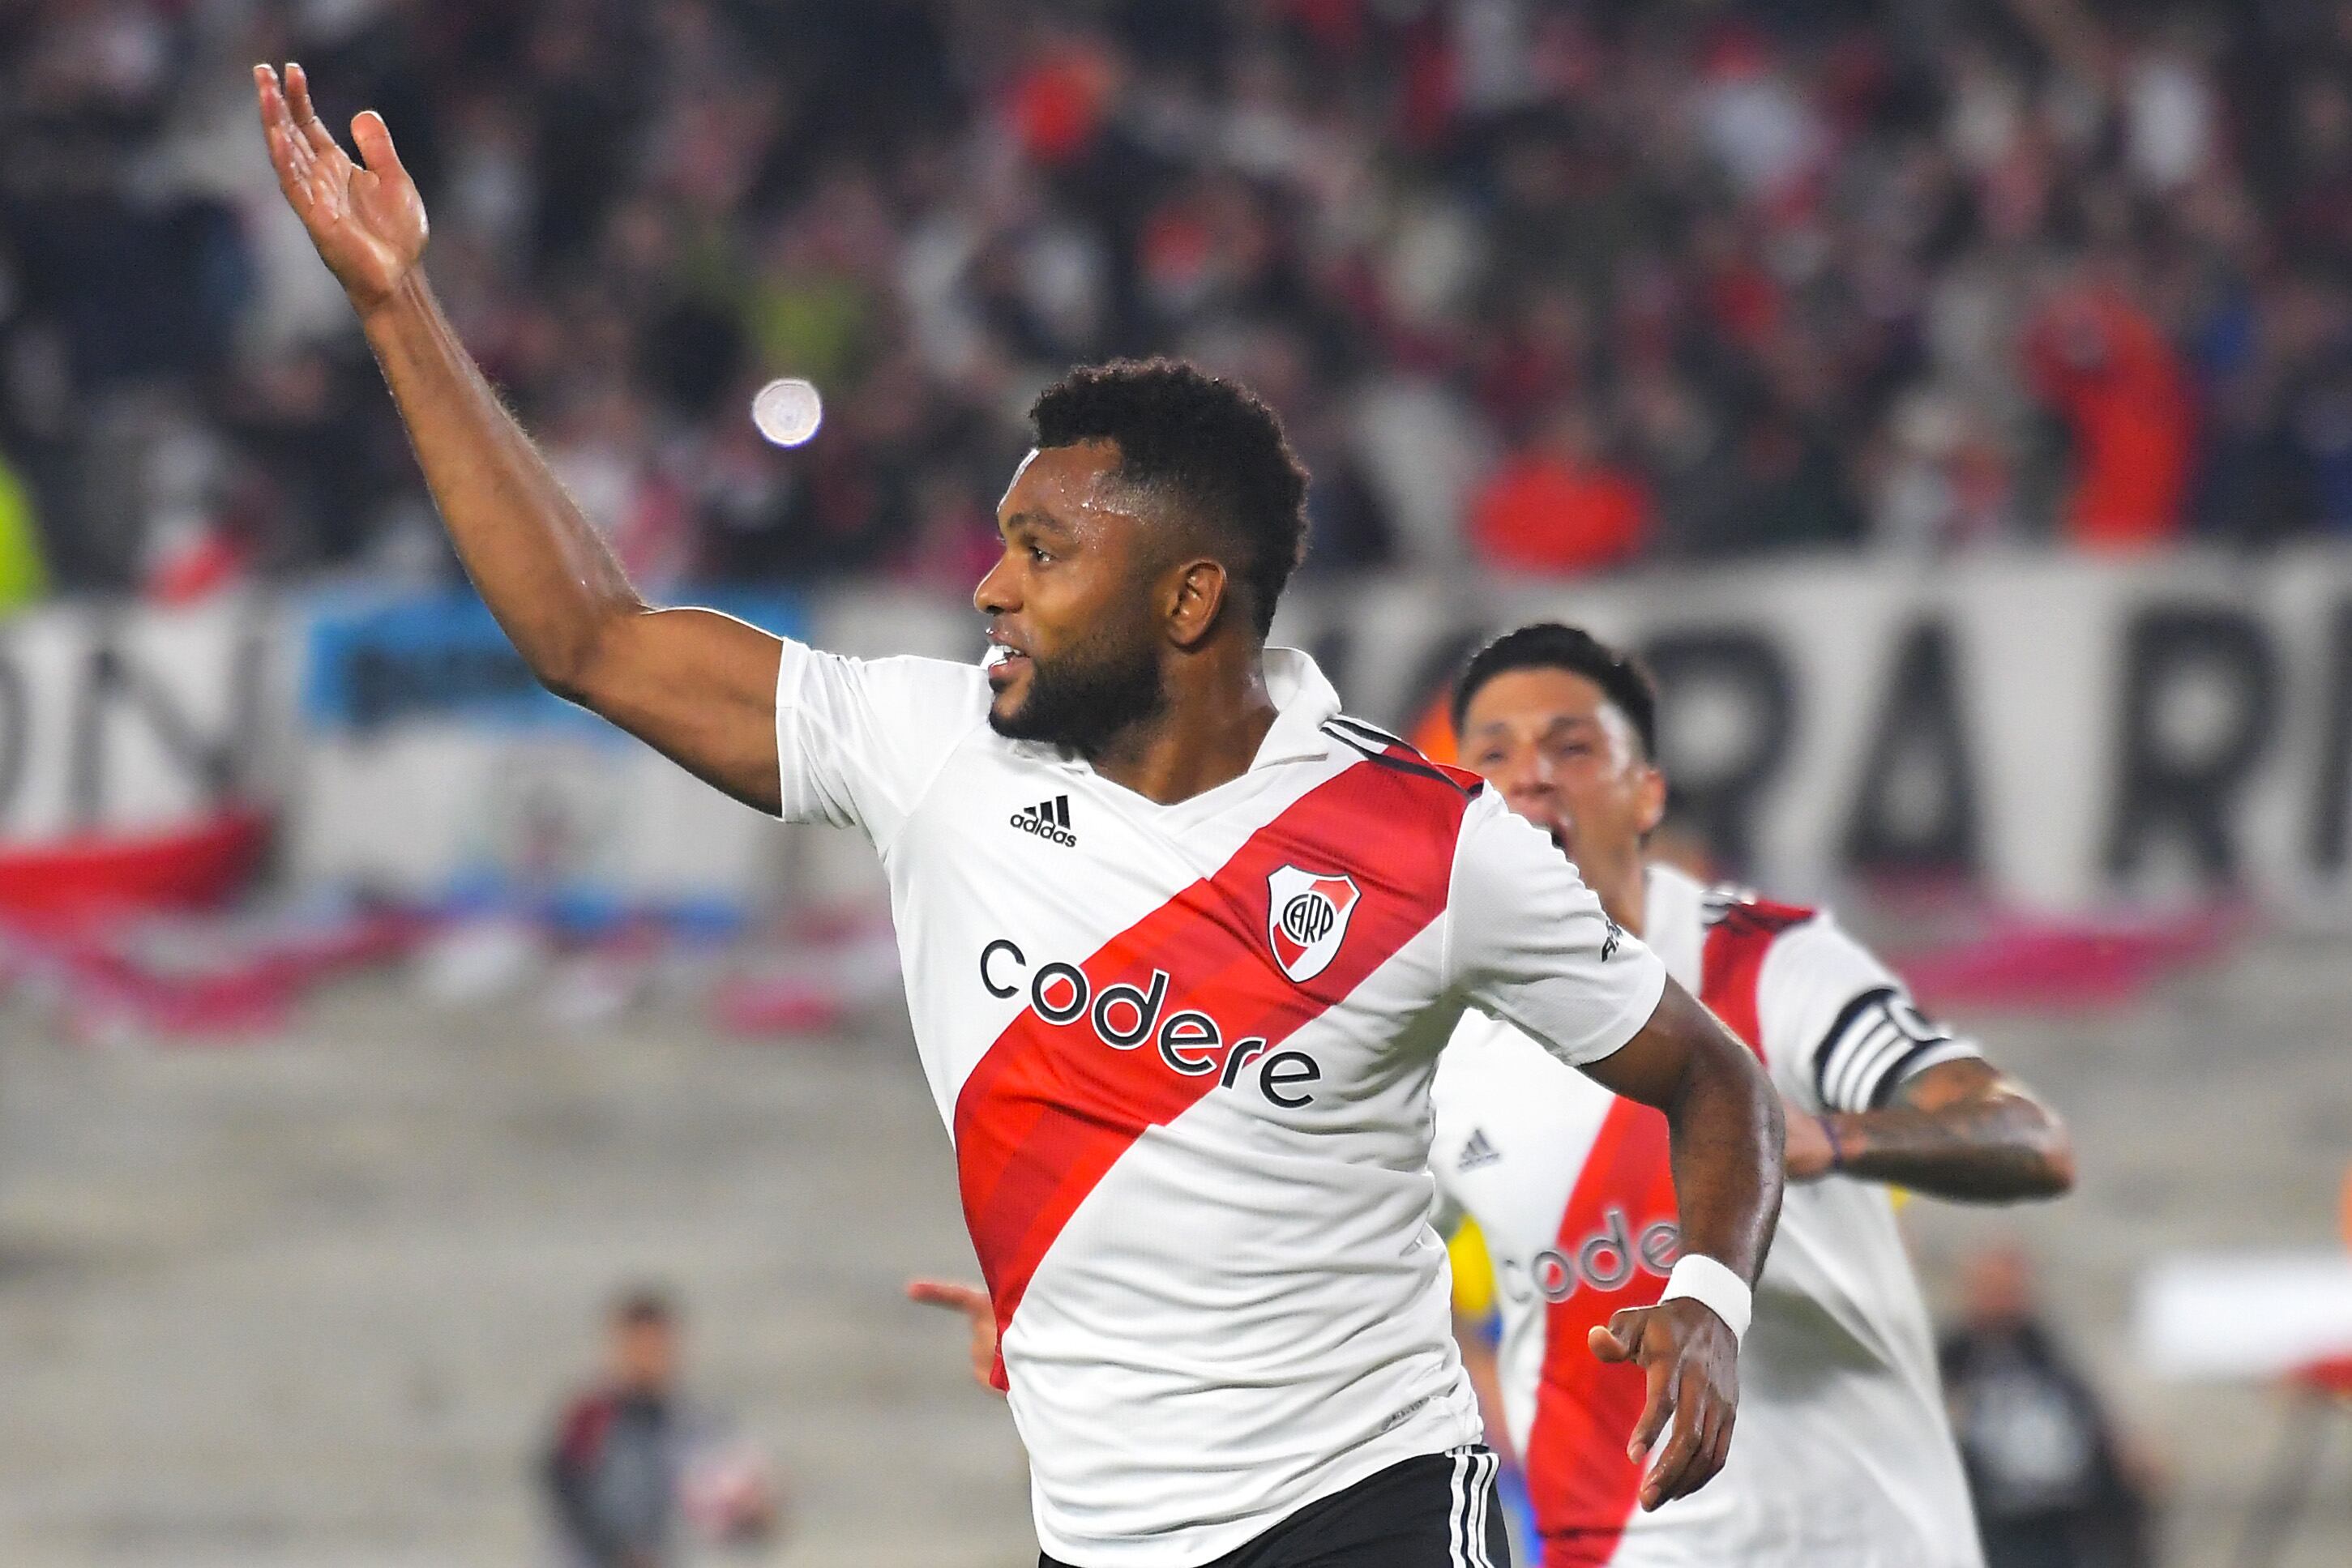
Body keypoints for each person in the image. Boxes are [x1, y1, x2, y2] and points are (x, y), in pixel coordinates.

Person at [255, 66, 1785, 1568]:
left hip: (1369, 1511)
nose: (990, 586)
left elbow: (1716, 1085)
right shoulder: (930, 749)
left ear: (1189, 602)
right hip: (1092, 1538)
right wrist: (398, 303)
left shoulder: (1431, 849)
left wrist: (1708, 1307)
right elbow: (592, 639)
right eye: (1001, 543)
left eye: (1042, 551)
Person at [1430, 623, 2075, 1567]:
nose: (1530, 776)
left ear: (1645, 791)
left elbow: (2029, 1136)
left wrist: (1823, 1141)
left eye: (1571, 746)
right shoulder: (1438, 1037)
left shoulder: (1774, 970)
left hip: (1858, 1542)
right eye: (1491, 756)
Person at [1939, 1245, 2154, 1568]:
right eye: (1993, 1288)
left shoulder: (2046, 1350)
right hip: (1993, 1523)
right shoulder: (1953, 1359)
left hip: (2061, 1522)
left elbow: (2088, 1416)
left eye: (2010, 1288)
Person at [545, 1290, 776, 1568]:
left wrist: (756, 1519)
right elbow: (569, 1501)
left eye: (657, 1347)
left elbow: (740, 1519)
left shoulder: (702, 1425)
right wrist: (622, 1554)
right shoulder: (589, 1419)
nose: (648, 1359)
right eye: (639, 1347)